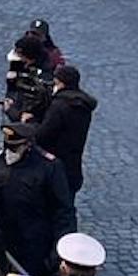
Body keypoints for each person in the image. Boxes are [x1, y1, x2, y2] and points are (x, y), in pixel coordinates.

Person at [0, 123, 75, 276]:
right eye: (8, 148)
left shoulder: (49, 168)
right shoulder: (0, 162)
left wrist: (57, 252)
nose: (10, 153)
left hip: (36, 247)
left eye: (15, 148)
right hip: (6, 243)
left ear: (27, 145)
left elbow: (64, 212)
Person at [35, 64, 97, 195]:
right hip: (73, 164)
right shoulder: (83, 105)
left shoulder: (59, 106)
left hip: (54, 165)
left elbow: (42, 134)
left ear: (60, 83)